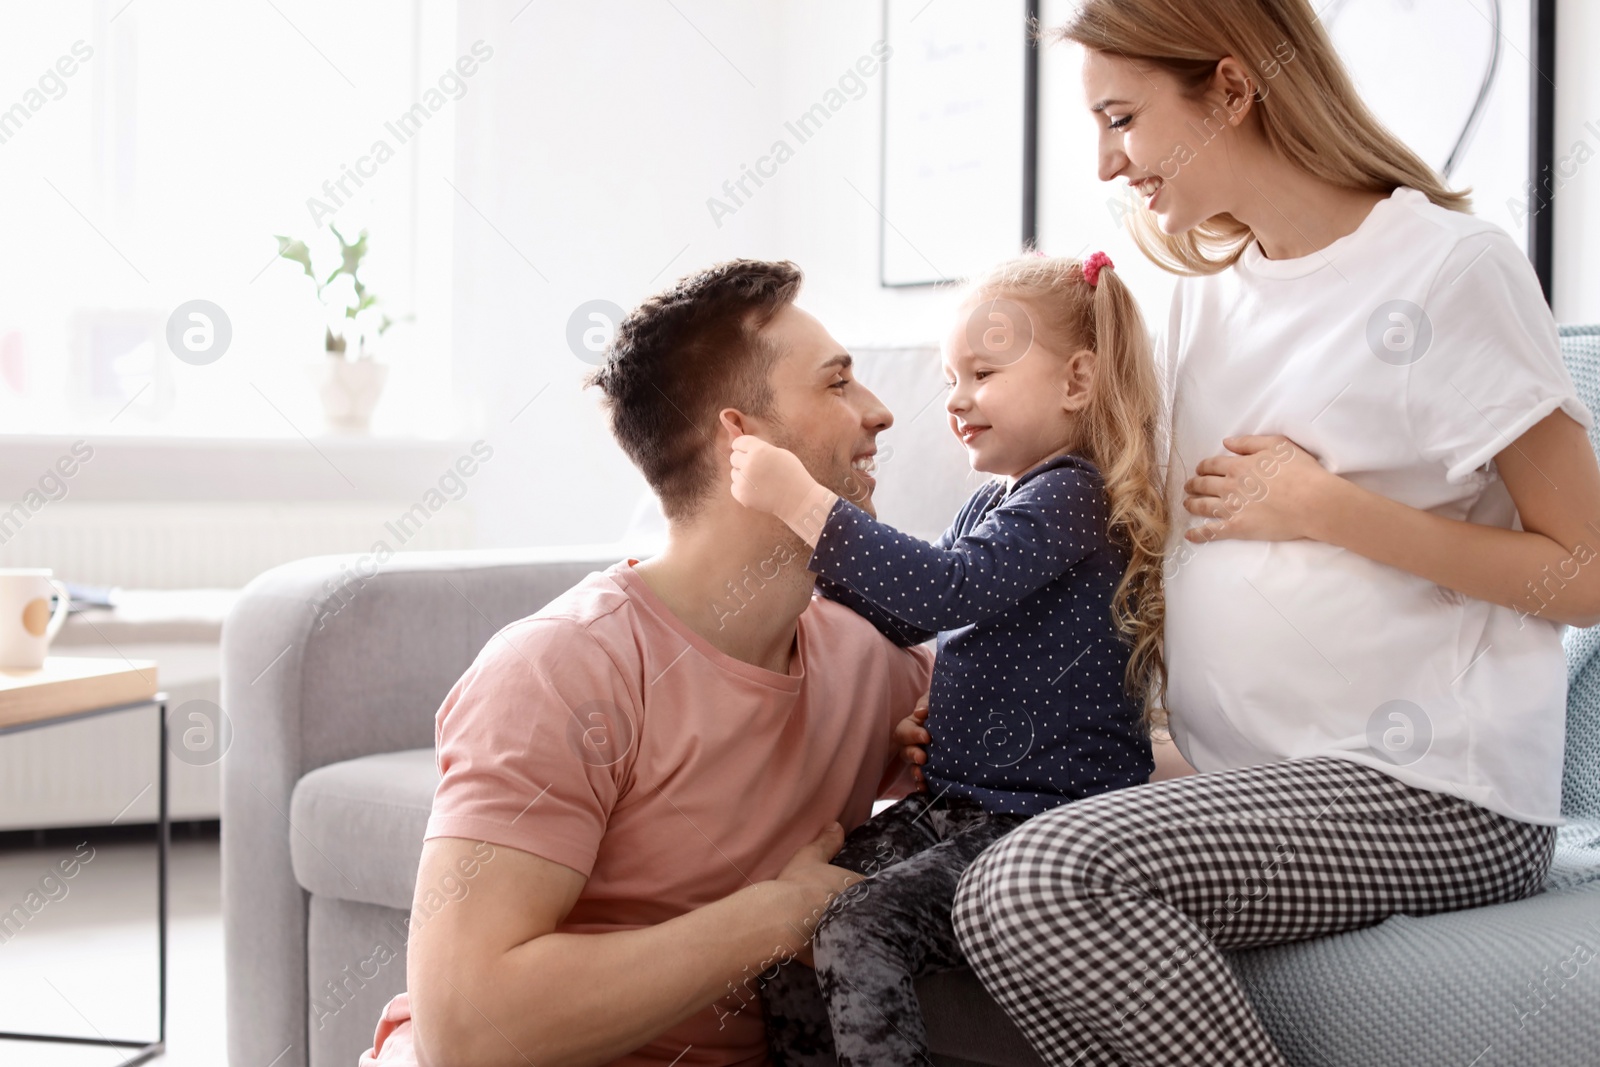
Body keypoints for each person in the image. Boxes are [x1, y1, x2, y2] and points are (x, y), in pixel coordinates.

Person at [947, 3, 1600, 1065]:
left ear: (1233, 90)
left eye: (1122, 118)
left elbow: (1584, 572)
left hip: (1433, 789)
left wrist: (1329, 508)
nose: (1108, 163)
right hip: (1245, 777)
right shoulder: (1210, 295)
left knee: (1040, 879)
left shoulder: (1448, 269)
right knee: (983, 877)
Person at [358, 259, 936, 1067]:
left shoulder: (868, 658)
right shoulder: (562, 668)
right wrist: (774, 916)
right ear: (745, 439)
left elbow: (1085, 748)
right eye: (838, 384)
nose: (880, 412)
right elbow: (465, 1028)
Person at [727, 251, 1168, 1066]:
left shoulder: (1074, 496)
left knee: (858, 922)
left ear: (1076, 381)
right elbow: (907, 615)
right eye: (950, 376)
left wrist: (803, 500)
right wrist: (801, 550)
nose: (956, 400)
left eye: (984, 373)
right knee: (784, 917)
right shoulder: (993, 499)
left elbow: (941, 591)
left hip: (1036, 822)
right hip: (963, 805)